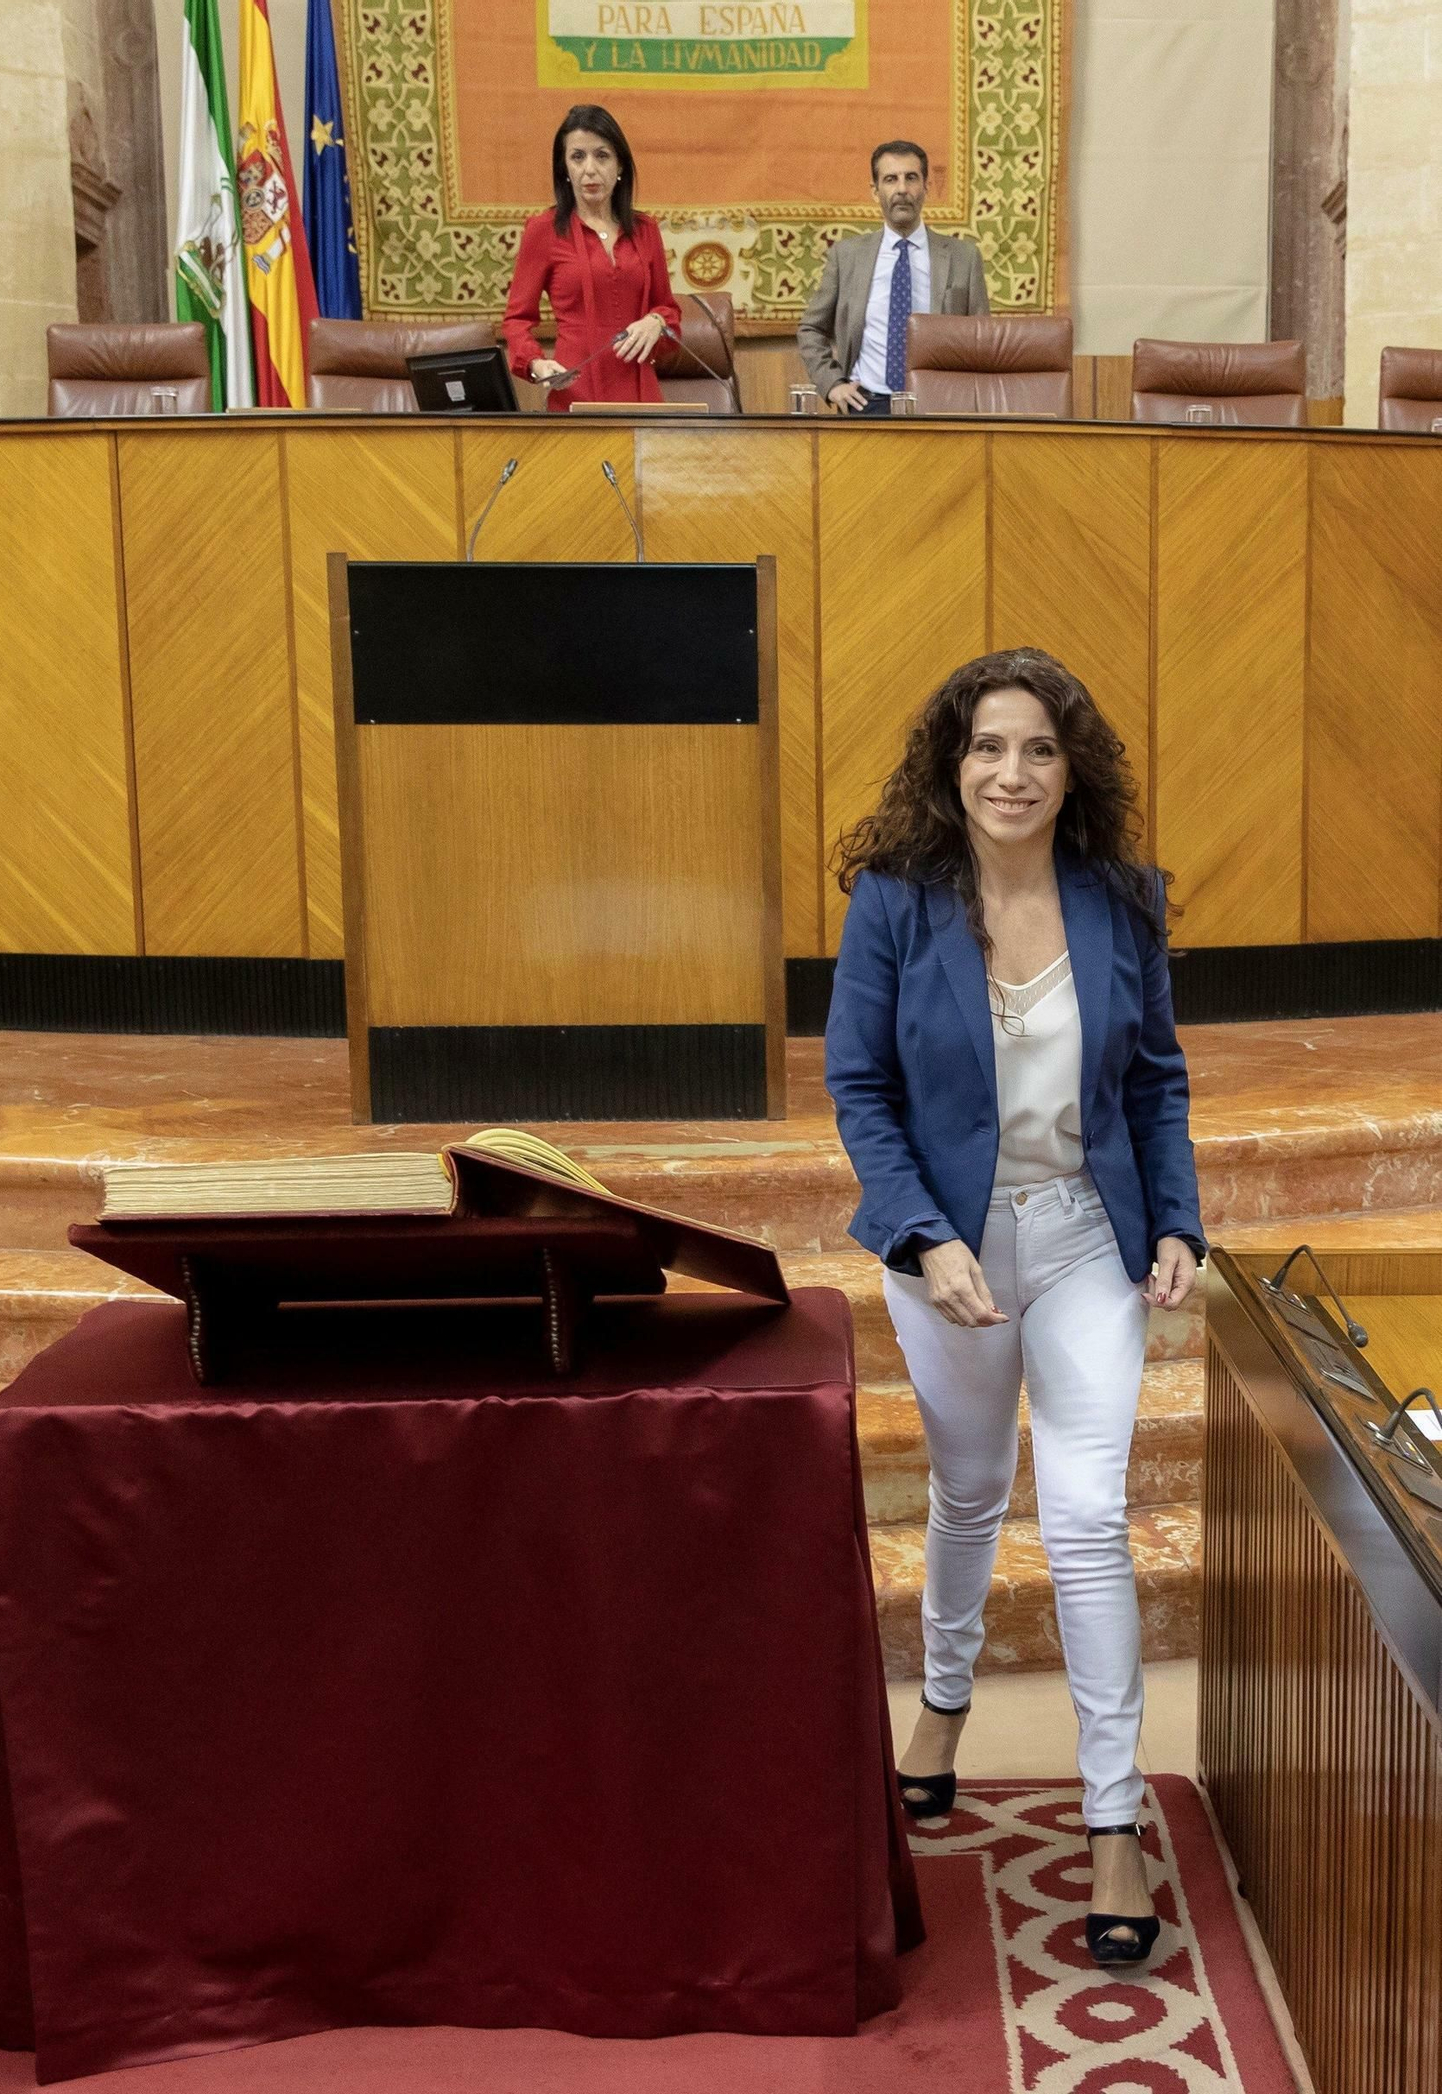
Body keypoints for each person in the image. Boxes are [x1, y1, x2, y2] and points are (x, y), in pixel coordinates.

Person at [824, 647, 1205, 1969]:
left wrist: (1176, 1218)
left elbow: (1157, 1081)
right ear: (952, 762)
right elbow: (859, 1089)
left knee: (1089, 1512)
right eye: (988, 746)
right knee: (972, 1487)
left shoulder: (1123, 900)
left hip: (1090, 1235)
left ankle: (1112, 1819)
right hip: (951, 1250)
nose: (1011, 772)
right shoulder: (894, 902)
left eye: (1038, 749)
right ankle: (940, 1706)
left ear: (1070, 768)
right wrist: (925, 1238)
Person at [503, 105, 681, 413]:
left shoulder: (646, 230)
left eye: (602, 156)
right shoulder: (543, 230)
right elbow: (517, 321)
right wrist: (536, 363)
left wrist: (656, 321)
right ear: (565, 169)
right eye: (577, 157)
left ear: (620, 165)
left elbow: (668, 311)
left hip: (642, 397)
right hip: (575, 394)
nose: (589, 169)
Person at [797, 140, 990, 415]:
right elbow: (811, 329)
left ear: (926, 187)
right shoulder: (847, 256)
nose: (902, 189)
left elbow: (982, 339)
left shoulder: (964, 258)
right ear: (875, 192)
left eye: (911, 178)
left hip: (941, 406)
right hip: (866, 405)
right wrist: (832, 384)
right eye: (890, 179)